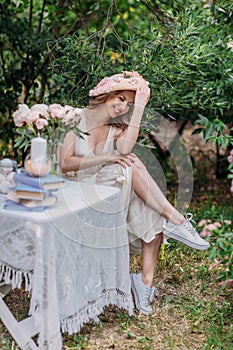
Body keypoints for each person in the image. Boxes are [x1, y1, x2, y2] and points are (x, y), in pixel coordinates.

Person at [59, 71, 210, 315]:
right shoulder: (75, 118)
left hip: (105, 187)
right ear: (104, 94)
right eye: (119, 98)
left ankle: (144, 283)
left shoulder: (116, 128)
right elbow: (65, 164)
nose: (121, 107)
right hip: (74, 188)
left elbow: (125, 148)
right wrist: (107, 156)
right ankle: (177, 220)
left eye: (127, 103)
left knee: (144, 194)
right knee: (131, 167)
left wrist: (138, 108)